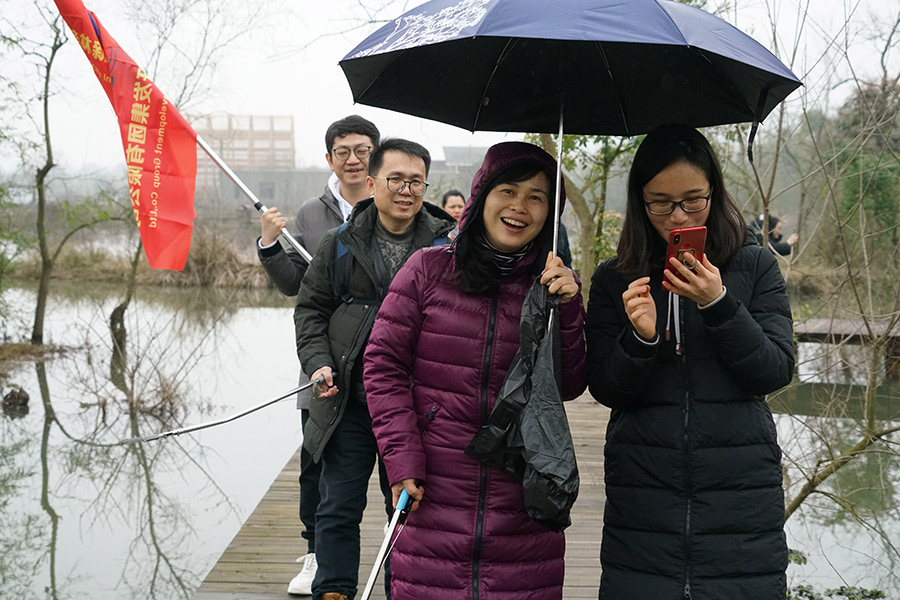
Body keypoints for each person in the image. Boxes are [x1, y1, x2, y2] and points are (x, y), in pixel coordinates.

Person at [363, 141, 588, 600]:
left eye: (537, 197)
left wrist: (567, 310)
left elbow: (569, 385)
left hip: (523, 503)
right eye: (508, 191)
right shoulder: (426, 271)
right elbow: (383, 365)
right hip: (432, 491)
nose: (519, 207)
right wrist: (401, 458)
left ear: (550, 214)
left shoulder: (553, 287)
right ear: (482, 196)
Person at [585, 124, 794, 600]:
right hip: (643, 501)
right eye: (660, 202)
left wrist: (718, 303)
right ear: (640, 201)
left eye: (693, 200)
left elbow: (774, 370)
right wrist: (640, 339)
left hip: (740, 499)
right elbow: (607, 389)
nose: (677, 215)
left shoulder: (754, 266)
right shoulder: (616, 278)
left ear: (714, 193)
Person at [293, 138, 456, 600]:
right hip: (348, 399)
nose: (406, 190)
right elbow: (310, 311)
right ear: (371, 183)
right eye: (396, 179)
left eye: (416, 182)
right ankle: (334, 589)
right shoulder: (340, 243)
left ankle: (400, 590)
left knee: (406, 509)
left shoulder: (448, 246)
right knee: (337, 505)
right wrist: (319, 363)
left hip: (415, 407)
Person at [255, 114, 380, 596]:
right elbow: (295, 286)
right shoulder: (312, 212)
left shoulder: (393, 205)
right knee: (316, 461)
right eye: (343, 151)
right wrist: (270, 243)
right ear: (329, 158)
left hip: (385, 364)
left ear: (376, 154)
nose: (354, 159)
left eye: (362, 150)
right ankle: (315, 555)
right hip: (325, 359)